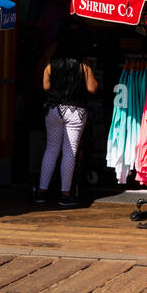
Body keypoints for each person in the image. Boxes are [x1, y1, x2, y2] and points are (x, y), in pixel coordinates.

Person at [35, 31, 98, 207]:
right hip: (75, 110)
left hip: (54, 109)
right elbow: (92, 88)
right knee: (70, 151)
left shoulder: (50, 66)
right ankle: (65, 194)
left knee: (51, 149)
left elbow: (46, 87)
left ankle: (42, 191)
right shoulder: (83, 67)